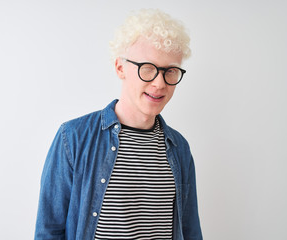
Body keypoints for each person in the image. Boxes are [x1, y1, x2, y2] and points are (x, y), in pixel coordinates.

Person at [35, 8, 202, 240]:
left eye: (170, 71)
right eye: (148, 68)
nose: (159, 83)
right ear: (120, 67)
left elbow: (190, 230)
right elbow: (49, 231)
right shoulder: (72, 137)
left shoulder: (178, 148)